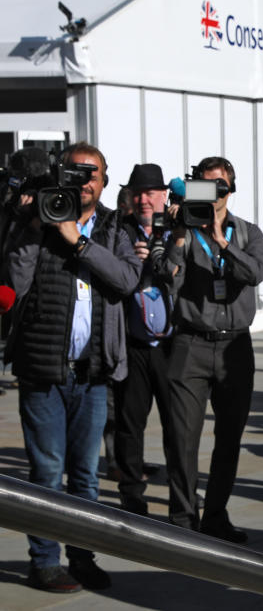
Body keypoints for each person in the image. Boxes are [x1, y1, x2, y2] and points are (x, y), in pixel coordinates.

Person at [5, 142, 141, 592]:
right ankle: (43, 562)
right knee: (46, 474)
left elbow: (125, 280)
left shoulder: (113, 225)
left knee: (85, 477)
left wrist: (76, 241)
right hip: (42, 369)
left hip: (93, 373)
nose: (83, 181)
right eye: (76, 172)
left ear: (103, 182)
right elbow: (16, 285)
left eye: (93, 174)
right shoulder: (39, 220)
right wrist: (30, 225)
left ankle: (82, 557)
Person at [154, 156, 263, 543]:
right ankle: (184, 519)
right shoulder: (182, 231)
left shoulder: (248, 232)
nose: (211, 193)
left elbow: (255, 273)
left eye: (218, 186)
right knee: (182, 437)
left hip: (236, 346)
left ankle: (215, 515)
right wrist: (181, 234)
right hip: (191, 343)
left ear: (231, 189)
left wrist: (221, 241)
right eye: (202, 185)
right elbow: (167, 277)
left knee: (230, 436)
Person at [114, 164, 176, 516]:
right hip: (133, 341)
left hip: (171, 344)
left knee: (176, 424)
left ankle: (180, 493)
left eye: (151, 192)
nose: (143, 199)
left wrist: (161, 258)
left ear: (164, 195)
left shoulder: (179, 228)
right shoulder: (119, 230)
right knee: (129, 423)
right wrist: (133, 264)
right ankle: (132, 496)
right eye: (137, 193)